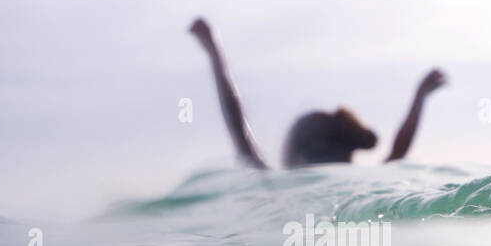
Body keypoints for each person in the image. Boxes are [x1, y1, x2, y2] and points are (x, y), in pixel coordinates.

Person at [190, 17, 447, 169]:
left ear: (295, 153)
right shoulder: (358, 195)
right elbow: (397, 155)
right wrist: (419, 97)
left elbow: (240, 133)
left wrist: (214, 50)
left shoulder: (280, 193)